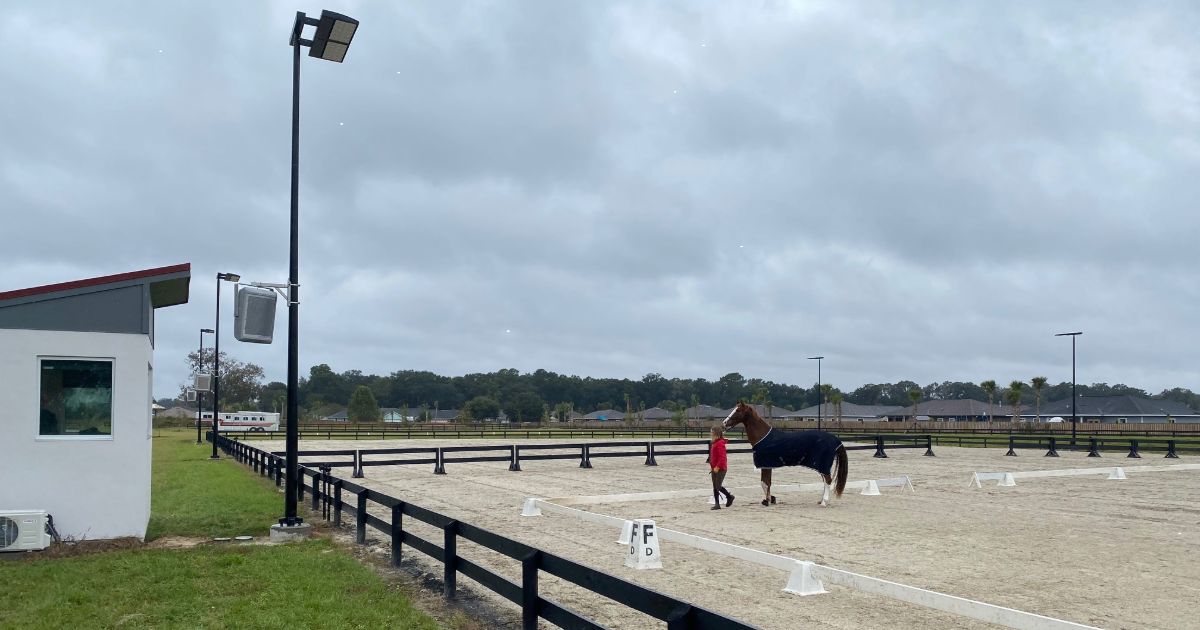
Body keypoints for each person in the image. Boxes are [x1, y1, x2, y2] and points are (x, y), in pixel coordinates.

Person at [709, 426, 734, 509]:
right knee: (714, 486)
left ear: (716, 433)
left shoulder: (719, 443)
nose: (711, 433)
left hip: (720, 468)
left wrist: (718, 466)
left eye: (712, 432)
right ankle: (717, 504)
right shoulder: (715, 443)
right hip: (714, 467)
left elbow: (722, 457)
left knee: (718, 486)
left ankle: (729, 496)